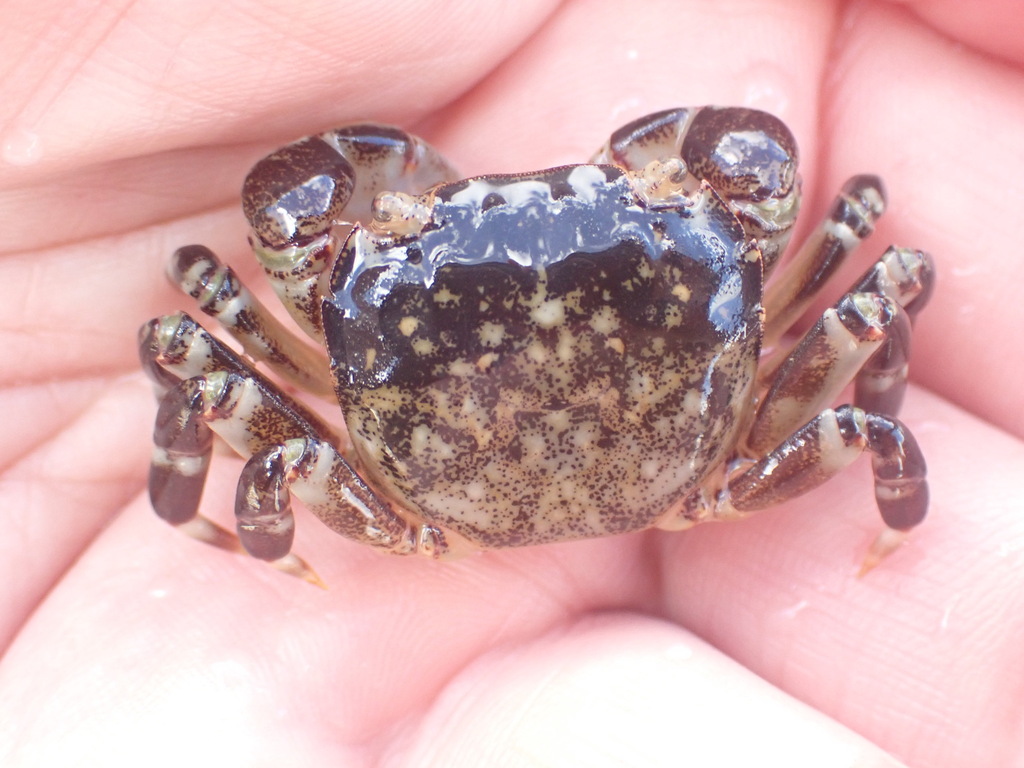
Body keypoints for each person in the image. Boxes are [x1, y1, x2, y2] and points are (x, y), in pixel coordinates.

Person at [0, 1, 1020, 765]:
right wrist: (877, 411)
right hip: (715, 475)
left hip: (408, 512)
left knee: (202, 365)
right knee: (877, 315)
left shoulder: (363, 277)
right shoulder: (701, 238)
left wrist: (230, 516)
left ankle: (219, 538)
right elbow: (888, 282)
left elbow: (193, 349)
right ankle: (887, 527)